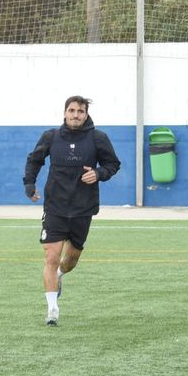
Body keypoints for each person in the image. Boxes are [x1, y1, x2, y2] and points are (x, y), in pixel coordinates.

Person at [24, 95, 120, 326]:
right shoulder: (51, 137)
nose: (76, 115)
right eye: (72, 110)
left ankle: (59, 275)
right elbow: (34, 160)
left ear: (86, 114)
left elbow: (113, 164)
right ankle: (52, 310)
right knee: (51, 256)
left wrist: (98, 173)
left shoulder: (98, 138)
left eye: (80, 111)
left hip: (83, 208)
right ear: (65, 112)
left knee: (70, 261)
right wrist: (29, 184)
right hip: (55, 207)